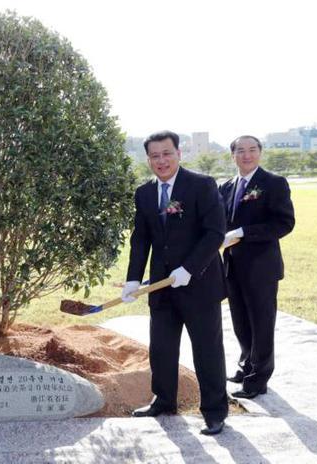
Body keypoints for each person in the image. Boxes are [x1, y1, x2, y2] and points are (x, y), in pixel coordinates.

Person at [121, 130, 228, 435]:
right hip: (161, 285)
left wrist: (189, 269)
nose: (161, 161)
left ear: (179, 154)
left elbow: (214, 233)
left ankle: (214, 411)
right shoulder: (144, 193)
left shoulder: (202, 185)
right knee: (162, 348)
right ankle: (164, 400)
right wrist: (132, 279)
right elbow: (140, 240)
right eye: (155, 156)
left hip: (199, 283)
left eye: (167, 153)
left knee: (207, 350)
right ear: (148, 159)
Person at [219, 135, 295, 399]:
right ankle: (247, 365)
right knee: (240, 321)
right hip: (232, 266)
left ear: (260, 153)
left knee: (261, 322)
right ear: (233, 155)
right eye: (241, 150)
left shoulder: (273, 183)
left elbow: (284, 223)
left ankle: (258, 378)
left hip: (261, 267)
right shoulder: (226, 186)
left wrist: (242, 232)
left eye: (252, 150)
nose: (247, 155)